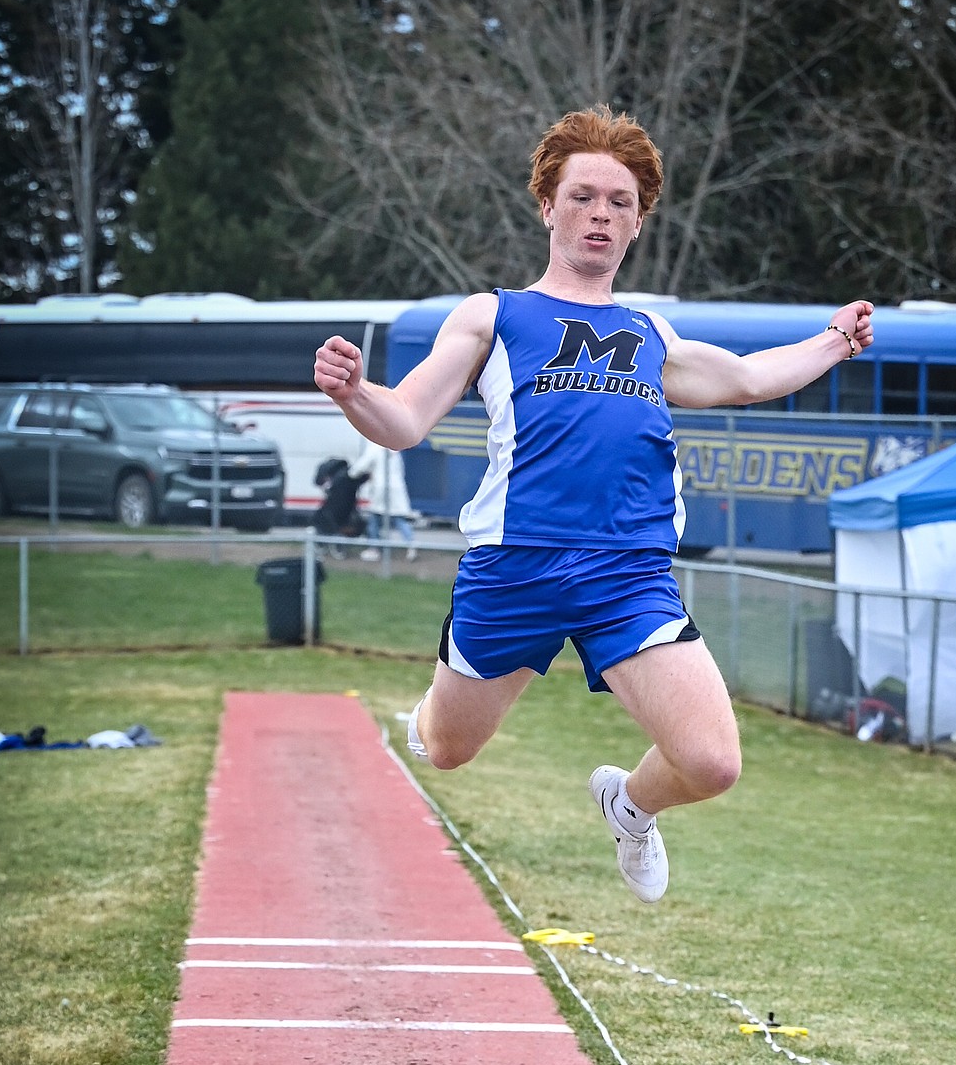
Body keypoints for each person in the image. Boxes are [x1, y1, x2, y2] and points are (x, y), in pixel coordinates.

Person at [314, 105, 873, 902]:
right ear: (548, 205)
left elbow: (748, 378)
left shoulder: (649, 330)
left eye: (619, 202)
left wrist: (836, 340)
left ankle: (630, 805)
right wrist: (353, 390)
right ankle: (431, 711)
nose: (600, 214)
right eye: (583, 196)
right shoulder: (493, 316)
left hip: (628, 573)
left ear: (638, 222)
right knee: (446, 750)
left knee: (713, 763)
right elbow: (403, 422)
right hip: (516, 569)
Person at [349, 436, 417, 560]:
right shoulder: (395, 449)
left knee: (374, 518)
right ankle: (411, 546)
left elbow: (359, 467)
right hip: (397, 487)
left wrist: (351, 473)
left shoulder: (374, 447)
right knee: (399, 518)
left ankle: (374, 549)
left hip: (380, 487)